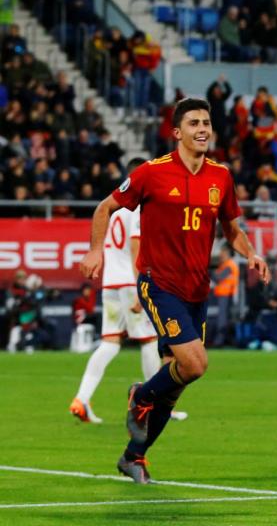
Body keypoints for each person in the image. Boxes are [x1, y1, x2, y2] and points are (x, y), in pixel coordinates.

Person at [79, 98, 269, 484]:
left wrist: (251, 254)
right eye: (194, 122)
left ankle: (135, 456)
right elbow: (105, 207)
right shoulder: (151, 172)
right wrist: (95, 249)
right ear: (178, 132)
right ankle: (140, 395)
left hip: (197, 288)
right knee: (196, 364)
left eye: (207, 122)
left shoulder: (221, 177)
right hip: (158, 282)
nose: (203, 128)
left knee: (177, 381)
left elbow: (232, 229)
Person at [70, 158, 167, 424]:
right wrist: (140, 288)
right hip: (129, 283)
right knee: (149, 340)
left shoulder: (115, 207)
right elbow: (136, 248)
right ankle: (153, 402)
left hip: (111, 283)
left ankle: (82, 398)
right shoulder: (136, 208)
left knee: (110, 343)